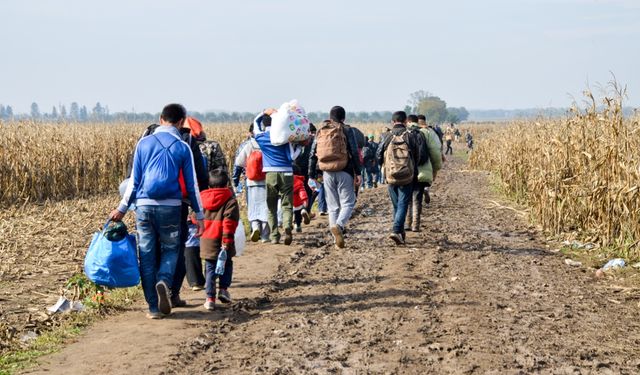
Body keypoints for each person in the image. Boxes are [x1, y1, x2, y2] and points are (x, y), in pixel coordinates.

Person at [110, 103, 205, 319]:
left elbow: (134, 181)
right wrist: (199, 216)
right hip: (171, 207)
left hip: (143, 207)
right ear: (182, 122)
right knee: (171, 249)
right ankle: (164, 280)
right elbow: (192, 186)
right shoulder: (183, 147)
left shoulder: (143, 143)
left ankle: (153, 307)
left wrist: (122, 208)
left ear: (161, 119)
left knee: (147, 255)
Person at [308, 106, 362, 249]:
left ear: (330, 117)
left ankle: (335, 239)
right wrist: (359, 173)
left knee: (332, 207)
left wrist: (312, 174)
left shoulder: (321, 130)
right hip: (345, 170)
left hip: (327, 172)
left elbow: (313, 154)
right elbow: (355, 152)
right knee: (348, 203)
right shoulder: (347, 130)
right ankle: (339, 226)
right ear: (343, 118)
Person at [376, 111, 426, 245]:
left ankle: (400, 232)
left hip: (391, 176)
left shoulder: (386, 136)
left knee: (397, 205)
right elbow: (419, 155)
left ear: (393, 122)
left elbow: (378, 155)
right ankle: (397, 230)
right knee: (403, 204)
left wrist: (384, 167)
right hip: (407, 176)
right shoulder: (411, 136)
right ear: (405, 122)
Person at [254, 111, 300, 245]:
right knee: (287, 203)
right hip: (286, 172)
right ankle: (287, 225)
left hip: (270, 174)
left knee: (271, 206)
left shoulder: (261, 137)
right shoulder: (283, 137)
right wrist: (299, 148)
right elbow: (292, 157)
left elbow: (255, 123)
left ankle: (274, 236)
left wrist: (263, 112)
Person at [199, 170, 239, 311]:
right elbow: (229, 222)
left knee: (209, 270)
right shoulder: (230, 201)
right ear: (227, 184)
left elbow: (194, 217)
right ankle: (223, 290)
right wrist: (227, 240)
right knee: (226, 265)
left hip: (207, 241)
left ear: (209, 186)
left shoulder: (202, 199)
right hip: (223, 242)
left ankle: (210, 299)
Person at [406, 115, 443, 231]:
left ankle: (407, 223)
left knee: (407, 198)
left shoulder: (405, 132)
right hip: (422, 170)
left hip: (406, 170)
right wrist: (436, 168)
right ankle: (415, 225)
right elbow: (436, 152)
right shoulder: (428, 133)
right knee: (417, 198)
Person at [234, 124, 270, 242]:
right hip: (265, 180)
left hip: (251, 181)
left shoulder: (248, 144)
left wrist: (235, 181)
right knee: (265, 207)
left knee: (253, 207)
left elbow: (238, 163)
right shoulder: (268, 143)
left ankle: (254, 227)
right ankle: (265, 235)